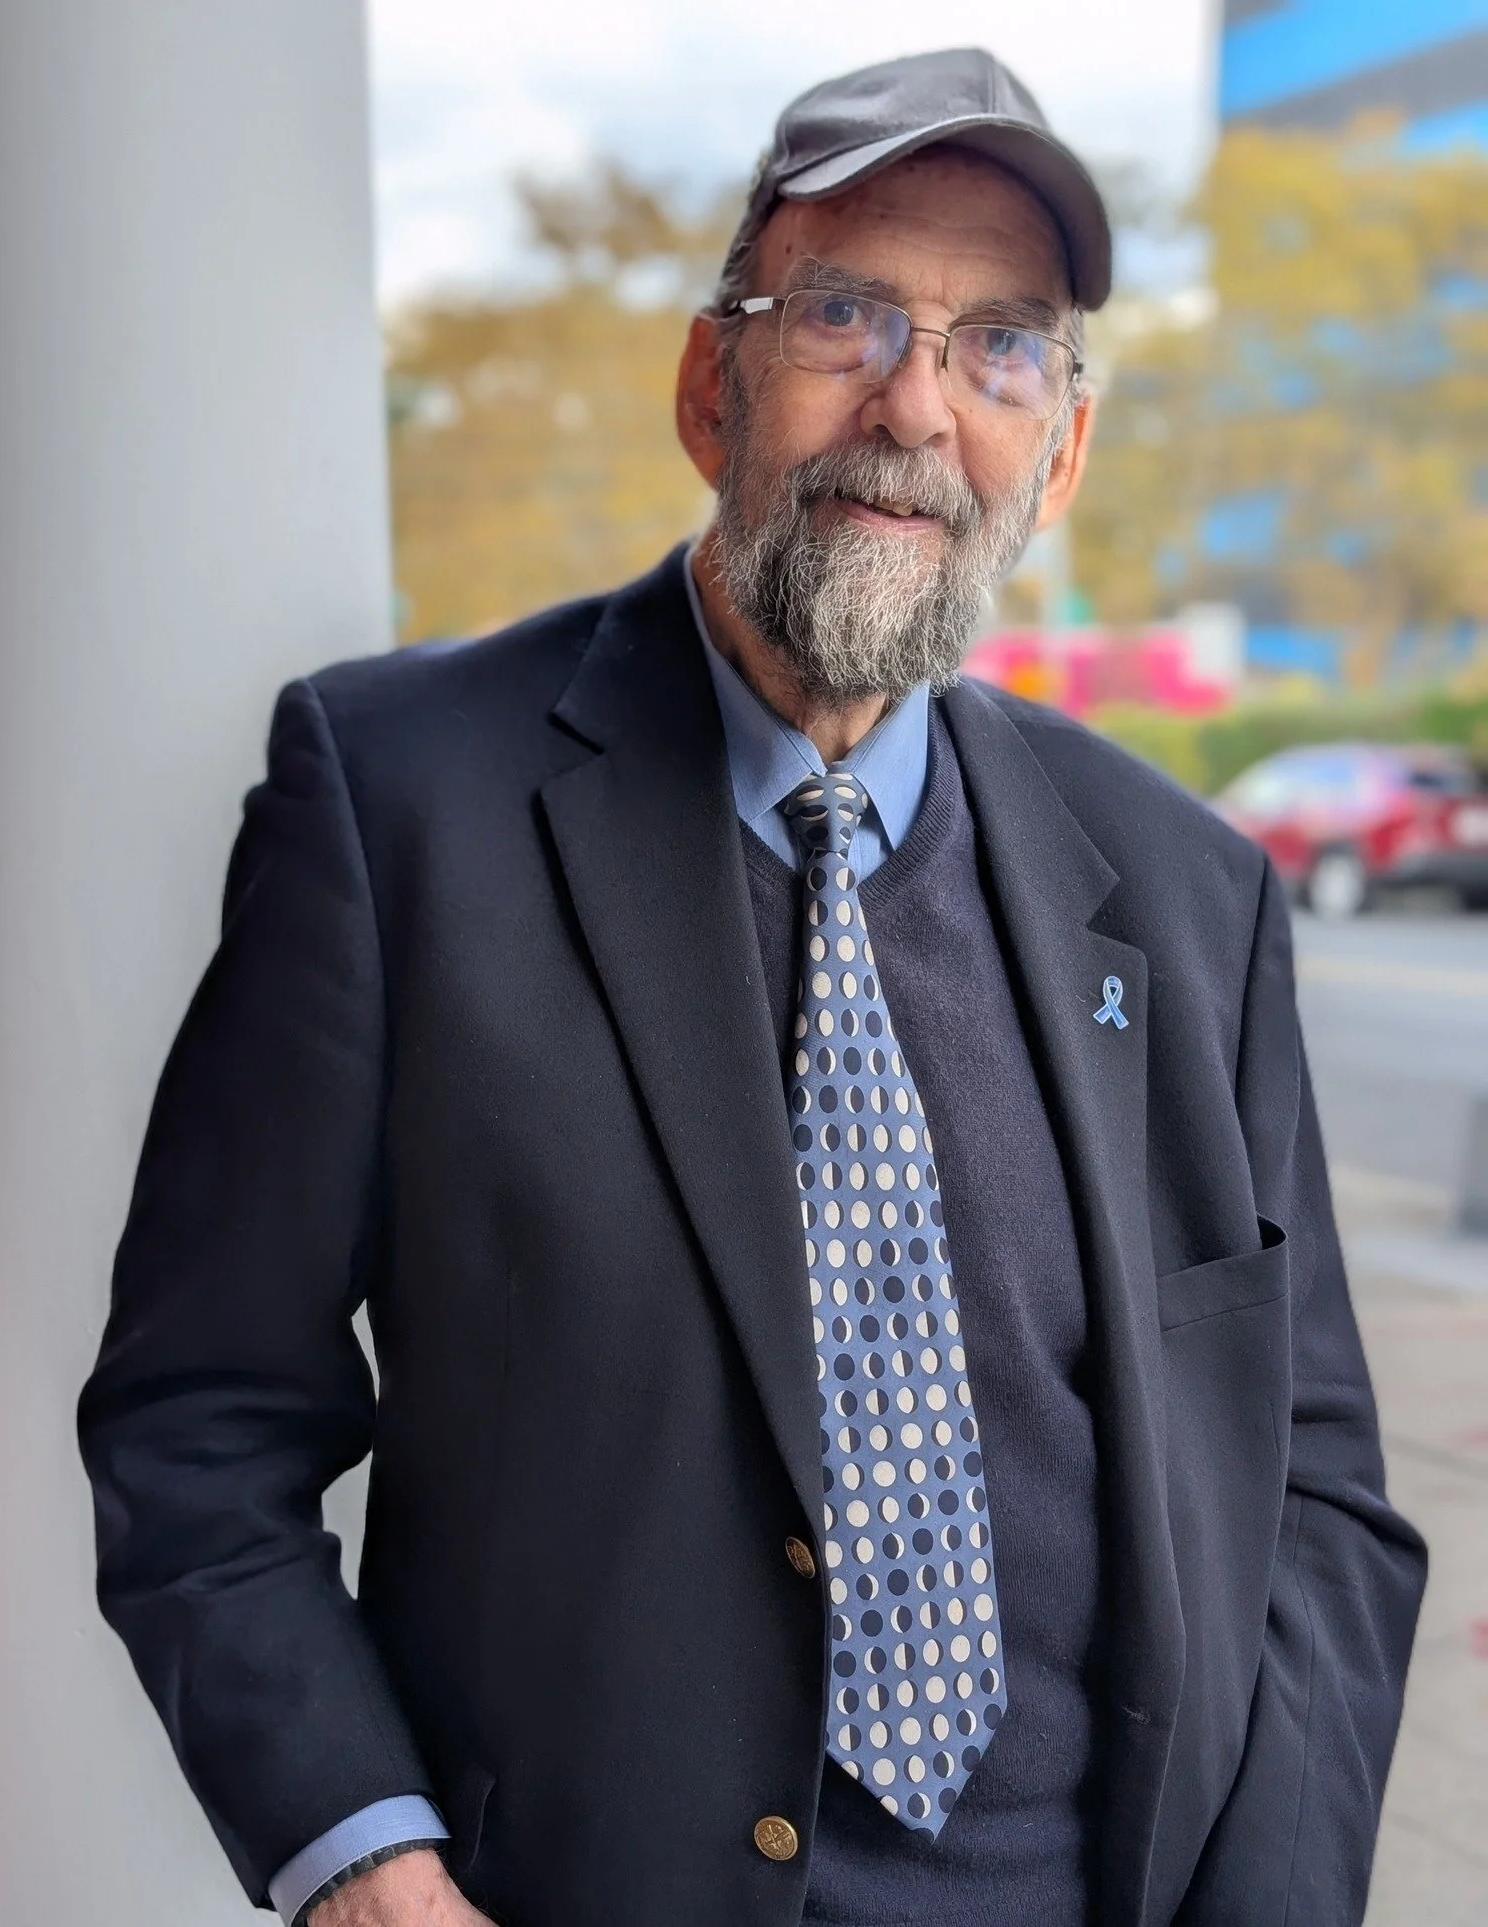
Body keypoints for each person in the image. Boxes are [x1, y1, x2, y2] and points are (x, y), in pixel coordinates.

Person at [78, 47, 1425, 1927]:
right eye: (846, 313)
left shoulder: (1193, 896)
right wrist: (369, 1870)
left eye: (999, 347)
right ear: (711, 383)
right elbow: (199, 1423)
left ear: (1060, 449)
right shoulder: (396, 811)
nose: (915, 405)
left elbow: (1311, 1487)